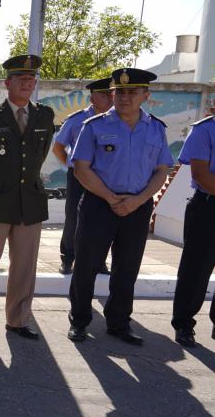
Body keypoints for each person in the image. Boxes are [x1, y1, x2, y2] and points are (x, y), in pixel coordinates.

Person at [68, 68, 173, 345]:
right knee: (86, 266)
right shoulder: (94, 126)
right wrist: (112, 199)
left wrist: (137, 201)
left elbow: (162, 170)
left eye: (132, 92)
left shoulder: (156, 128)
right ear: (112, 94)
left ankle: (118, 323)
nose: (125, 97)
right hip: (99, 204)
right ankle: (79, 320)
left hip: (137, 207)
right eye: (119, 92)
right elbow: (81, 168)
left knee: (127, 268)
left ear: (145, 95)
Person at [0, 54, 55, 340]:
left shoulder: (45, 115)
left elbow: (39, 155)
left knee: (25, 268)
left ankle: (17, 320)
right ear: (8, 83)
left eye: (31, 79)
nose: (27, 83)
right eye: (21, 78)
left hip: (29, 202)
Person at [52, 77, 112, 275]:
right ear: (92, 97)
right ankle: (68, 258)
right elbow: (58, 147)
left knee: (104, 220)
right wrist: (71, 165)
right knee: (74, 218)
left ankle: (99, 261)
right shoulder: (77, 119)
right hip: (79, 177)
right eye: (104, 95)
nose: (109, 98)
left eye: (111, 94)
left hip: (105, 178)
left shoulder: (116, 120)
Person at [172, 107, 215, 347]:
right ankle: (184, 324)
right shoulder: (205, 130)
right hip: (208, 206)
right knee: (196, 271)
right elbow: (200, 173)